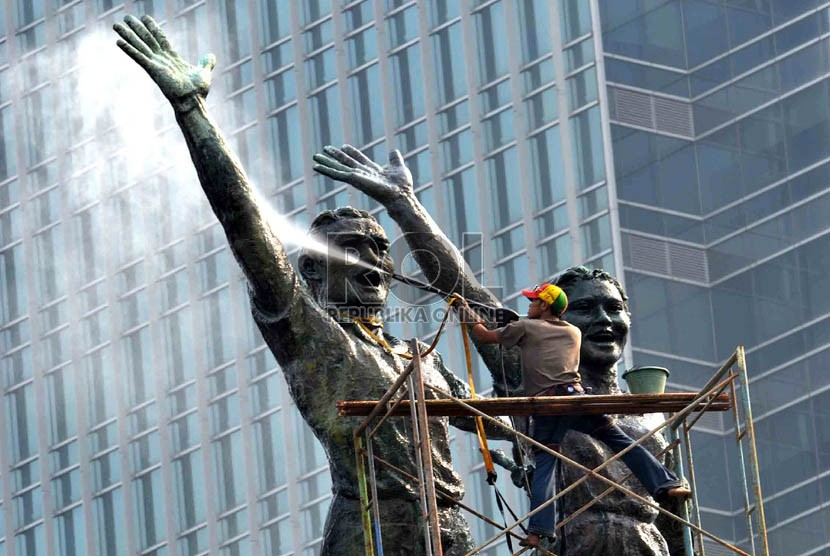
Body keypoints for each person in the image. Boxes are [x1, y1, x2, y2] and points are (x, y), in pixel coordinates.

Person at [112, 15, 511, 555]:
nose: (375, 263)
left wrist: (404, 206)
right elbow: (244, 222)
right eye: (352, 250)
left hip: (449, 531)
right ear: (315, 272)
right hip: (369, 528)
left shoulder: (420, 355)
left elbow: (500, 389)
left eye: (380, 250)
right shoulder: (312, 336)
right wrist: (192, 111)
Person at [316, 145, 689, 555]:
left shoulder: (650, 411)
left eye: (614, 308)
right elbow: (463, 289)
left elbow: (675, 521)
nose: (604, 319)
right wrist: (403, 203)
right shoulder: (530, 379)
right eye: (583, 308)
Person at [458, 283, 691, 548]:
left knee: (546, 463)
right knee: (622, 442)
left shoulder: (525, 328)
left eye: (534, 302)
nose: (530, 306)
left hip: (550, 406)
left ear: (544, 305)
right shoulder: (572, 332)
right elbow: (541, 333)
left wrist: (463, 310)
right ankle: (667, 485)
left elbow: (484, 336)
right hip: (578, 398)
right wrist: (516, 321)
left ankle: (538, 531)